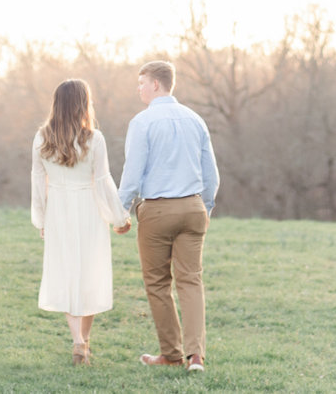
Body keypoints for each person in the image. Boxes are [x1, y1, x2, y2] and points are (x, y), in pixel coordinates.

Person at [117, 59, 218, 374]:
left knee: (158, 282)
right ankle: (196, 357)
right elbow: (211, 174)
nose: (139, 88)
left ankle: (172, 354)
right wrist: (207, 207)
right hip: (193, 208)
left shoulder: (143, 122)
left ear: (156, 84)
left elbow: (132, 174)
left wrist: (120, 211)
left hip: (158, 210)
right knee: (191, 281)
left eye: (142, 82)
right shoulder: (195, 119)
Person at [30, 78, 132, 365]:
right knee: (89, 273)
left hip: (58, 210)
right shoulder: (93, 138)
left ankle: (79, 341)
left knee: (66, 273)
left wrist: (41, 218)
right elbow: (102, 182)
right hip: (88, 209)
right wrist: (119, 216)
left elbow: (38, 180)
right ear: (82, 103)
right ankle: (82, 342)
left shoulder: (41, 137)